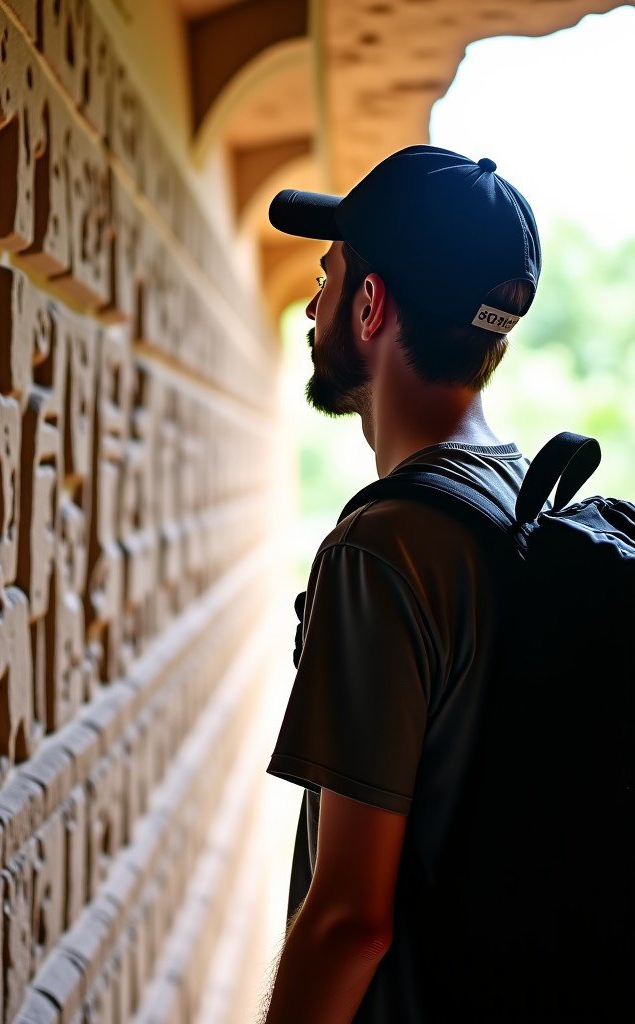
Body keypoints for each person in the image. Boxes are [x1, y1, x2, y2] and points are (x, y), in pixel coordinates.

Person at [261, 145, 542, 1023]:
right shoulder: (521, 494)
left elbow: (348, 922)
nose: (313, 306)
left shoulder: (383, 551)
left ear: (371, 304)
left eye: (327, 274)